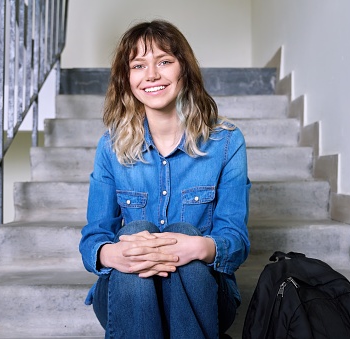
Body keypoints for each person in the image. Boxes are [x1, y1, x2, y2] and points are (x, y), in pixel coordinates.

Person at [79, 20, 251, 339]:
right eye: (139, 65)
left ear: (183, 69)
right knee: (133, 235)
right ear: (127, 78)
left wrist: (198, 247)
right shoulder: (110, 146)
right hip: (128, 294)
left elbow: (235, 239)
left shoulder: (226, 143)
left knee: (185, 233)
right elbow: (94, 235)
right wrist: (111, 253)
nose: (152, 75)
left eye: (164, 61)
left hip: (203, 293)